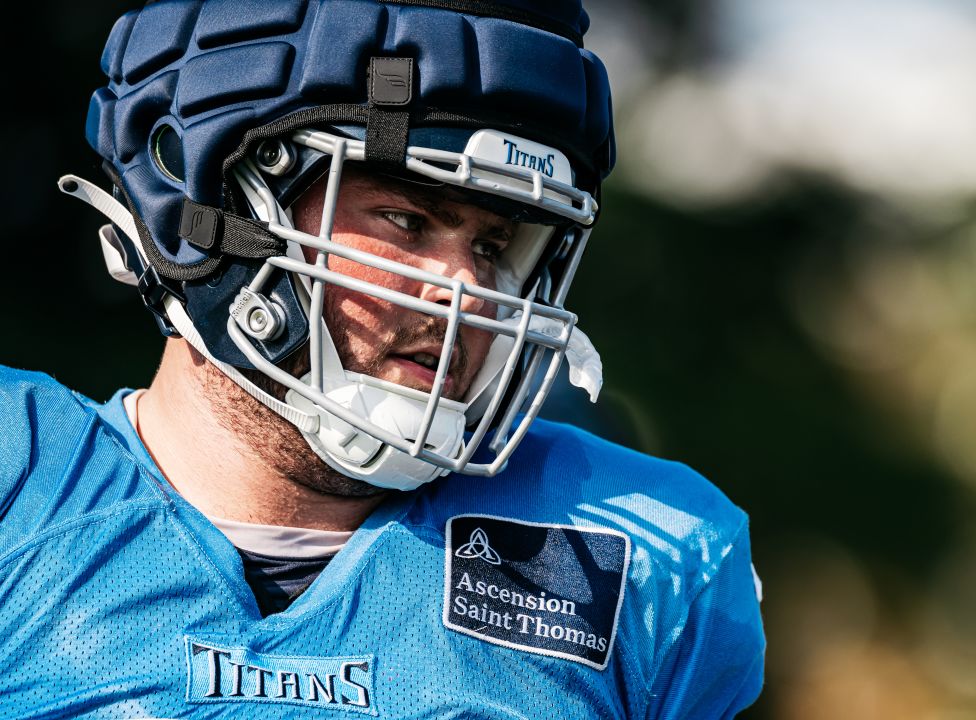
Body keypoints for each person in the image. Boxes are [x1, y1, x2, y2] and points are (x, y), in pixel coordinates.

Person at [0, 1, 766, 717]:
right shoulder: (22, 484)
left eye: (495, 245)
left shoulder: (646, 558)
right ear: (212, 210)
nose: (466, 286)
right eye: (405, 219)